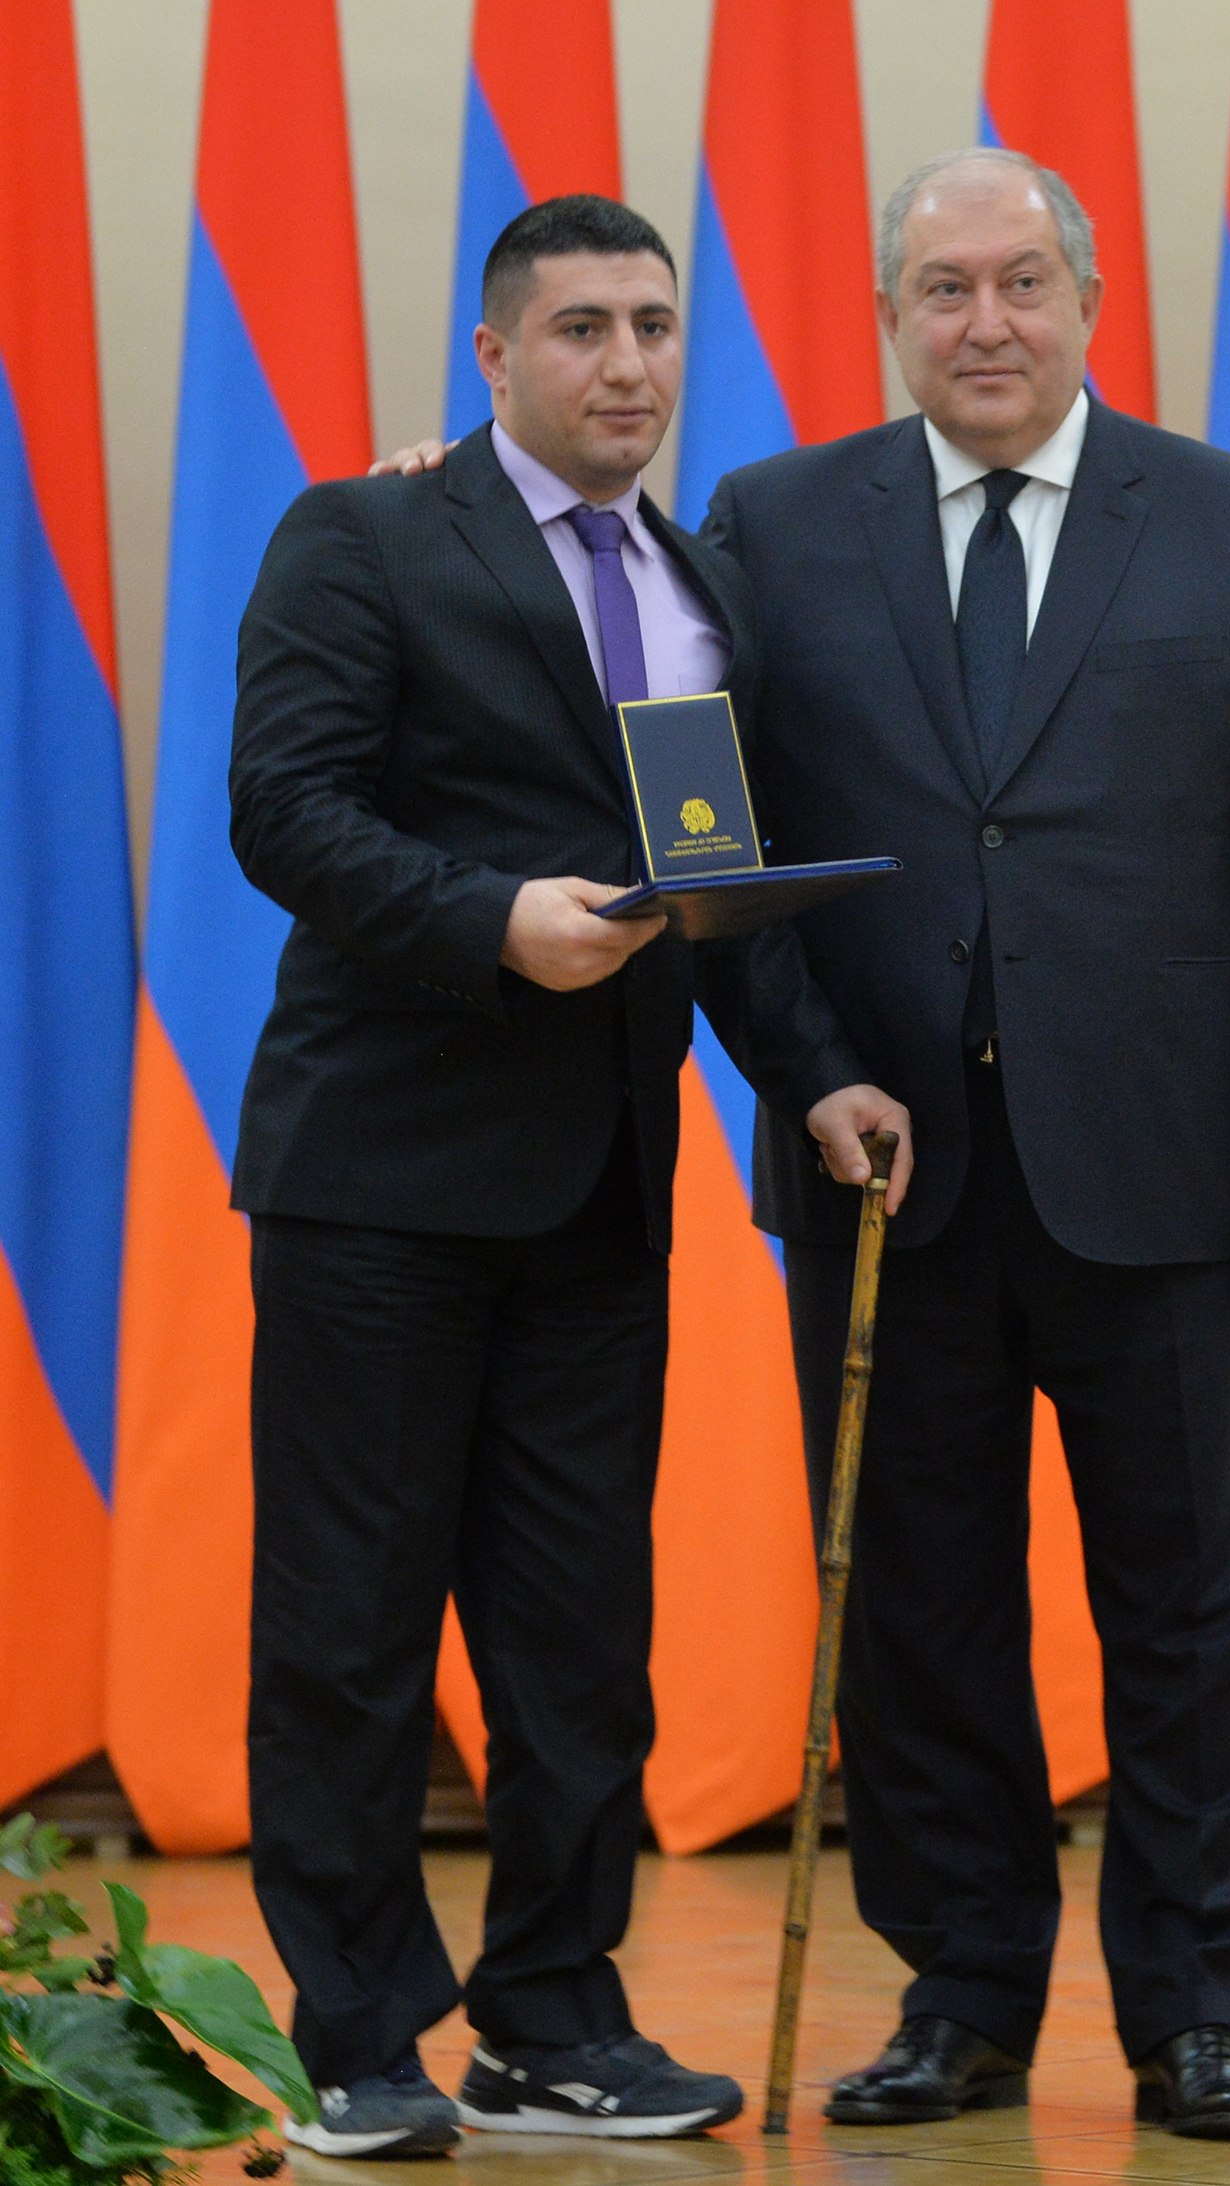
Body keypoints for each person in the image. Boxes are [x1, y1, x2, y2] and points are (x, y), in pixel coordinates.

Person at [378, 150, 1230, 2142]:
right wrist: (450, 498)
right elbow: (694, 802)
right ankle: (963, 1993)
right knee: (920, 1612)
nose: (985, 322)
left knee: (1192, 1617)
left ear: (1088, 299)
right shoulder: (767, 523)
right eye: (944, 289)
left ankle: (1198, 2013)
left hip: (1179, 1181)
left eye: (1022, 283)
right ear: (888, 316)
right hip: (882, 1168)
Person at [231, 192, 909, 2160]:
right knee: (351, 1631)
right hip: (377, 1187)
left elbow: (712, 890)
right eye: (583, 327)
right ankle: (358, 2031)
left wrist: (821, 1079)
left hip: (604, 1193)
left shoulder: (696, 588)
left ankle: (549, 2020)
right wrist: (489, 921)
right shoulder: (364, 531)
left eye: (653, 327)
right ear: (496, 355)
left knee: (580, 1644)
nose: (627, 363)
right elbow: (283, 810)